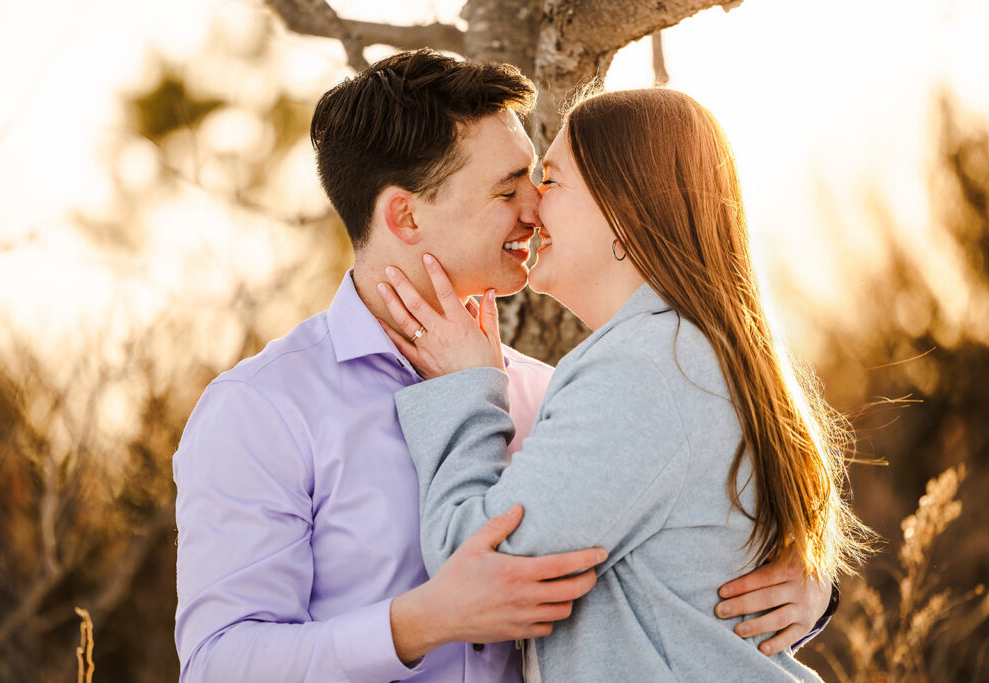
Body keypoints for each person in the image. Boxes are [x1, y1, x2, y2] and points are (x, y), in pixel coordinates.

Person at [173, 51, 836, 682]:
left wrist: (810, 586)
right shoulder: (265, 409)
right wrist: (415, 624)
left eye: (541, 179)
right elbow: (219, 663)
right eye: (508, 188)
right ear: (404, 215)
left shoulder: (547, 391)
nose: (534, 208)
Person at [379, 86, 868, 681]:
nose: (530, 207)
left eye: (552, 181)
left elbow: (478, 571)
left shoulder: (646, 367)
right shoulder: (686, 352)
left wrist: (467, 388)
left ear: (624, 215)